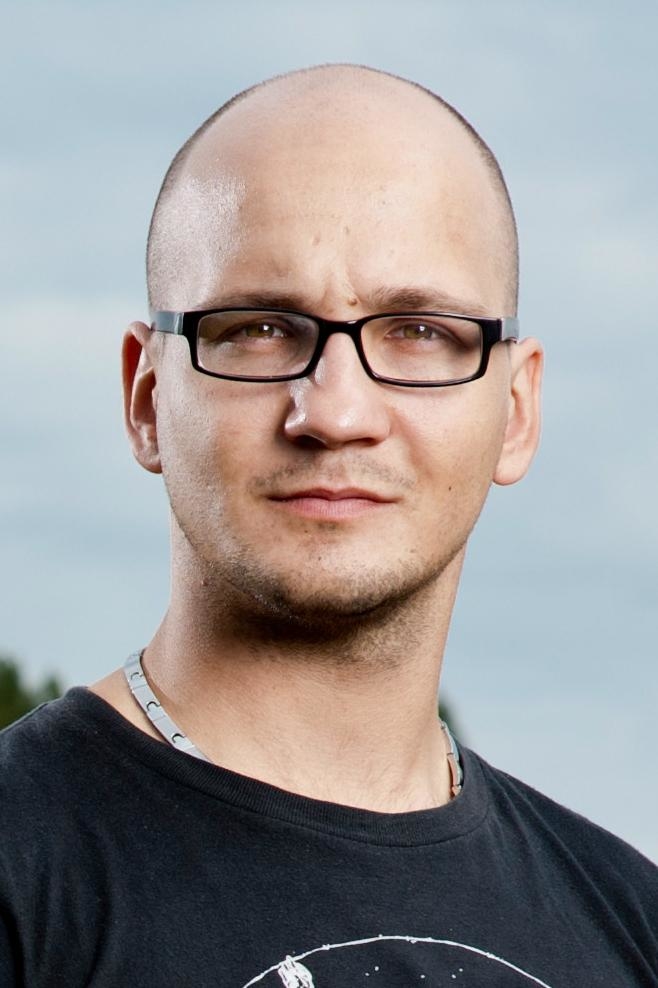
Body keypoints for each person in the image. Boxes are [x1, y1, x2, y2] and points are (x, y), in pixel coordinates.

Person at [0, 64, 656, 988]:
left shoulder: (632, 927)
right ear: (146, 399)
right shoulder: (22, 878)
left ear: (516, 410)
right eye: (260, 328)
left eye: (420, 332)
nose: (336, 412)